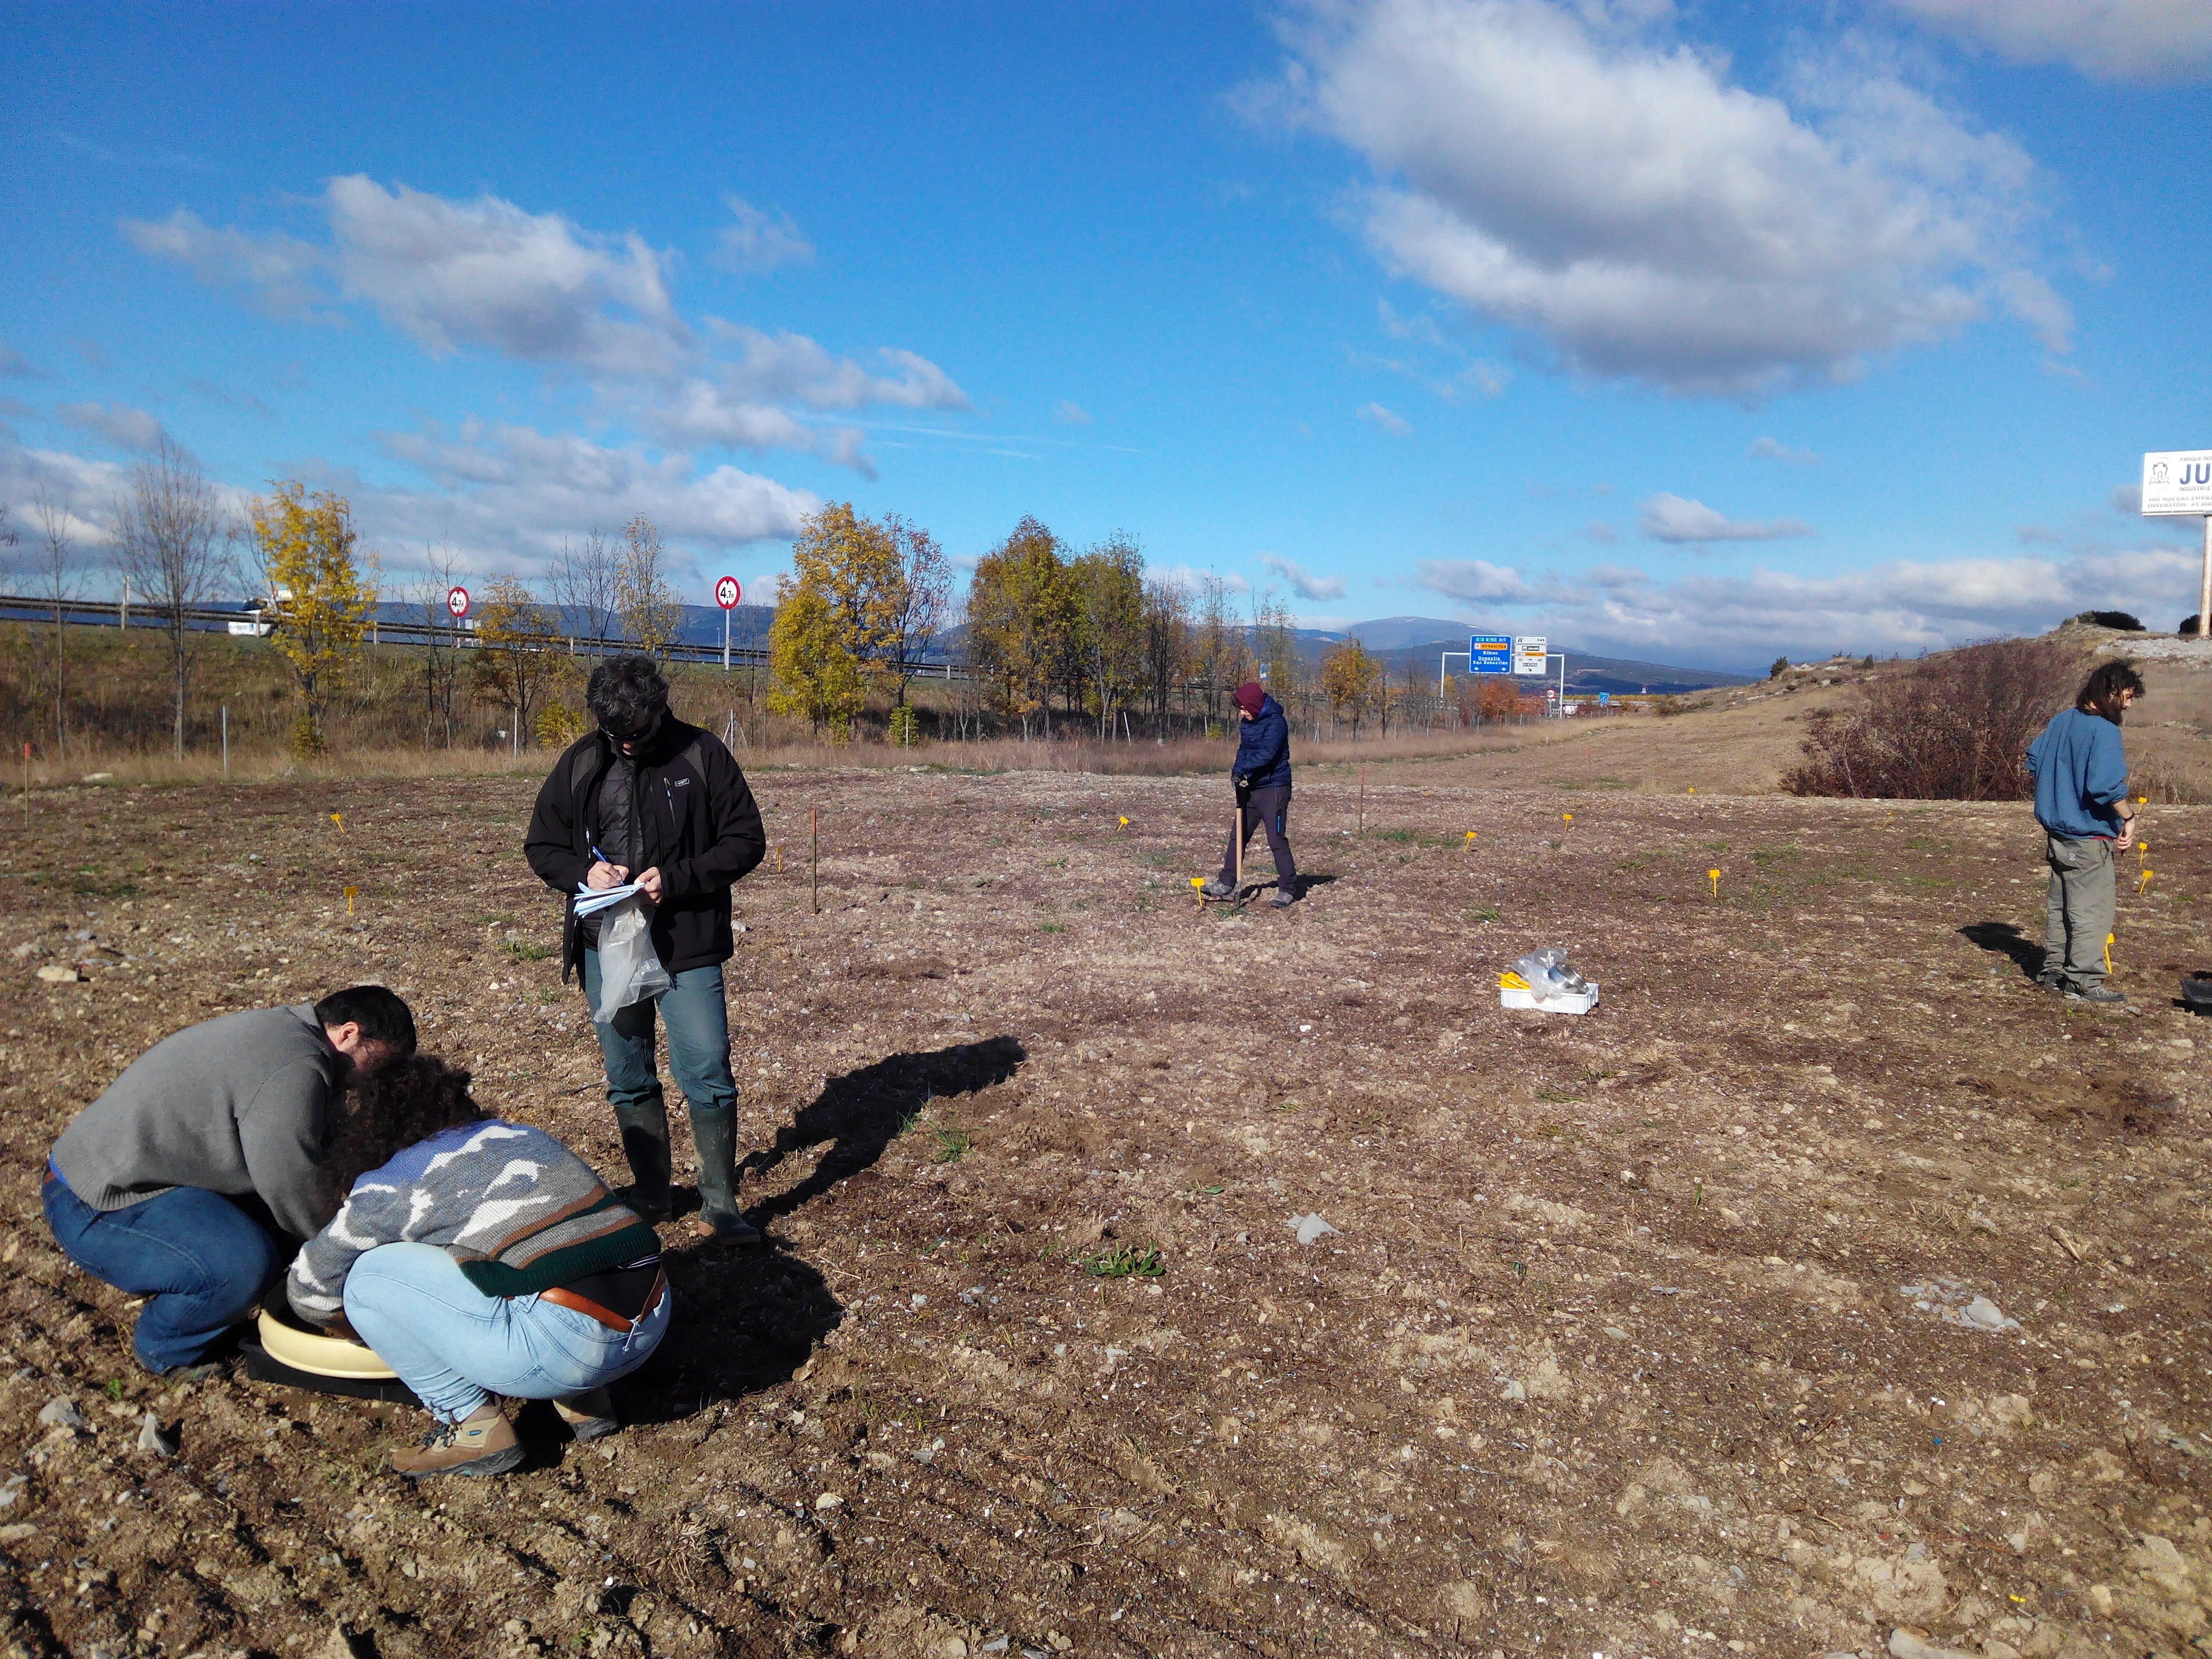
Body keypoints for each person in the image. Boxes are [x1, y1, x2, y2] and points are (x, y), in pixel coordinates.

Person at [286, 1054, 668, 1479]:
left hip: (565, 1352)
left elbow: (309, 1290)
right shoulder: (520, 1135)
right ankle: (585, 1402)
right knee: (524, 1249)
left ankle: (474, 1427)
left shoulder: (390, 1184)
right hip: (652, 1319)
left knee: (364, 1278)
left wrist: (364, 1335)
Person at [42, 987, 416, 1379]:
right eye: (380, 1064)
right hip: (94, 1202)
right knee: (243, 1265)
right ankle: (167, 1348)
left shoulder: (286, 1033)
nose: (374, 1080)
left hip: (143, 1179)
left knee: (282, 1231)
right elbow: (289, 1182)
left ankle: (213, 1288)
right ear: (348, 1033)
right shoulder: (294, 1065)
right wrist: (337, 1254)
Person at [524, 653, 768, 1240]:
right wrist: (584, 873)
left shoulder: (702, 754)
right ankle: (653, 1196)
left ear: (661, 709)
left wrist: (678, 879)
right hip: (604, 943)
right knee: (627, 1073)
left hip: (687, 943)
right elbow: (542, 845)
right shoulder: (582, 762)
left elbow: (746, 840)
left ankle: (720, 1204)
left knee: (707, 1067)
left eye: (638, 731)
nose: (628, 744)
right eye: (616, 734)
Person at [2026, 660, 2145, 1004]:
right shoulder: (2104, 731)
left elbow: (2034, 760)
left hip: (2058, 834)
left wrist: (2060, 790)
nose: (2129, 705)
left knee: (2062, 907)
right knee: (2092, 911)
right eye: (2128, 696)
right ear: (2111, 692)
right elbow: (2105, 786)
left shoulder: (2062, 720)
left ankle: (2055, 973)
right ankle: (2083, 983)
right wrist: (2129, 817)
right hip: (2088, 839)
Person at [1201, 680, 1298, 909]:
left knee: (1276, 839)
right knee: (1238, 836)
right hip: (1252, 787)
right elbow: (1243, 751)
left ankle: (1288, 889)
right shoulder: (1247, 724)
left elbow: (1267, 754)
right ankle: (1226, 883)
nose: (1242, 713)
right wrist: (1237, 773)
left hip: (1274, 788)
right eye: (1241, 709)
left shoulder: (1276, 723)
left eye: (1245, 709)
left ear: (1255, 705)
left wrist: (1244, 769)